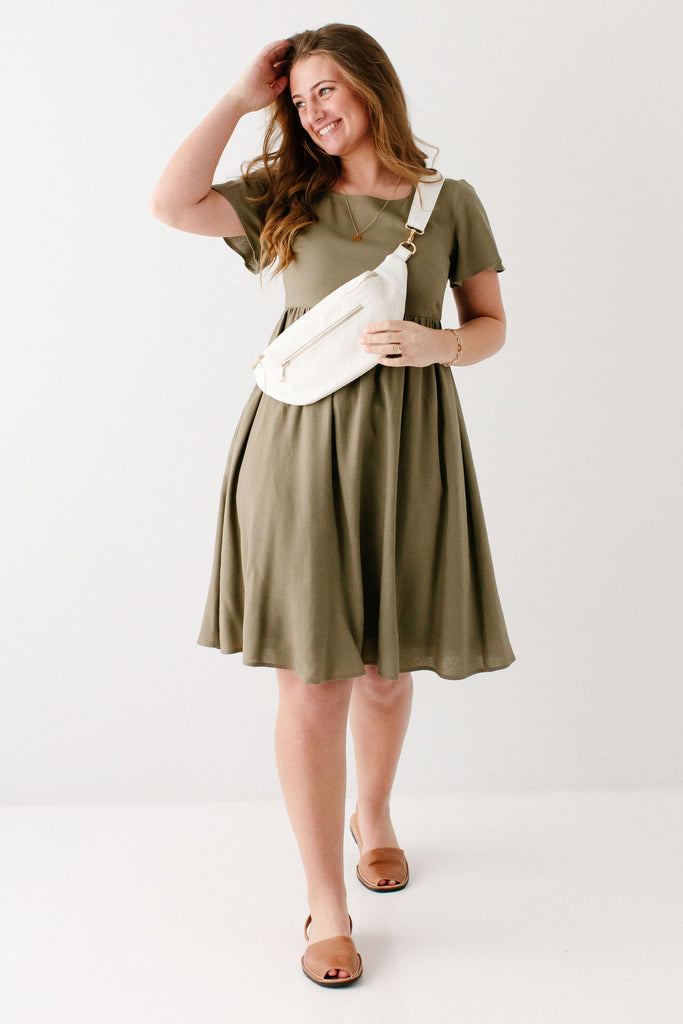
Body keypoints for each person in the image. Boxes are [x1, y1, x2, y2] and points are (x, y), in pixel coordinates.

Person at [151, 23, 515, 987]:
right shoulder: (285, 194)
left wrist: (439, 346)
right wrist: (240, 98)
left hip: (410, 455)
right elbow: (172, 203)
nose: (312, 112)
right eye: (299, 98)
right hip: (298, 454)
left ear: (370, 85)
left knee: (387, 673)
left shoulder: (448, 202)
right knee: (315, 681)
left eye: (326, 90)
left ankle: (375, 813)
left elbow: (489, 325)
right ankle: (324, 901)